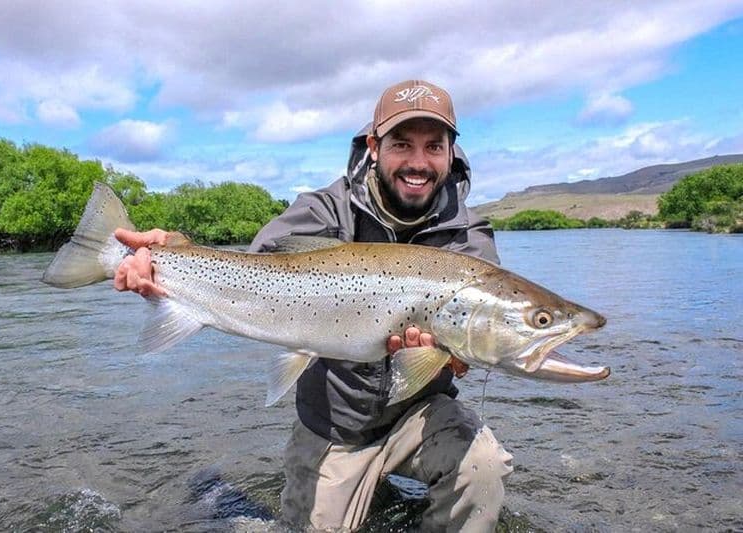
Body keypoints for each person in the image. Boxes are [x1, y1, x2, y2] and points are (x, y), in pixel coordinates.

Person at [113, 80, 513, 532]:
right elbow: (253, 269)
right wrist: (170, 256)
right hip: (334, 425)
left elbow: (479, 346)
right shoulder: (324, 209)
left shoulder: (469, 237)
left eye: (433, 146)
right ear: (374, 147)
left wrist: (454, 354)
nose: (418, 162)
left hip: (420, 418)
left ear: (451, 152)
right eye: (402, 144)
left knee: (484, 466)